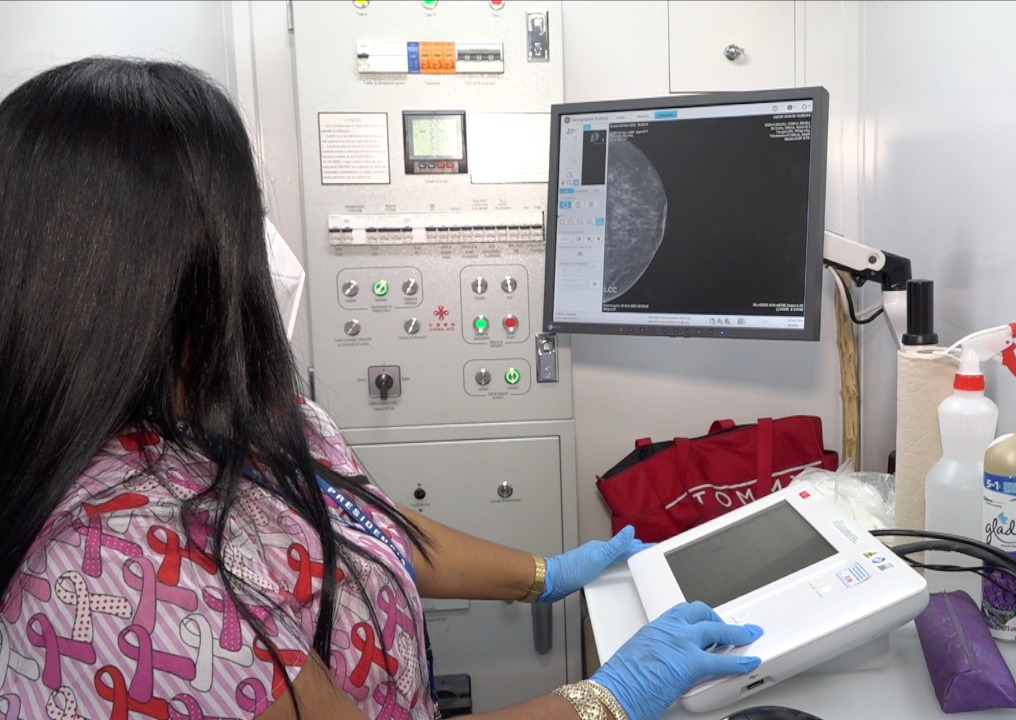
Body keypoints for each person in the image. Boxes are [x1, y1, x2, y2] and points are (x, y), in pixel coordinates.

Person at [0, 57, 762, 720]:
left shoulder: (247, 416)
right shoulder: (111, 567)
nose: (268, 253)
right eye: (247, 221)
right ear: (153, 273)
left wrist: (547, 574)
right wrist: (610, 698)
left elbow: (361, 529)